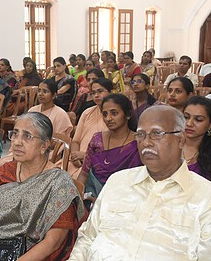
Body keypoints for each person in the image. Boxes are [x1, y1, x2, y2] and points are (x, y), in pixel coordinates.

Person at [68, 105, 211, 260]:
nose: (146, 142)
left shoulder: (204, 197)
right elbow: (88, 238)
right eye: (141, 134)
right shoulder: (118, 182)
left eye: (157, 134)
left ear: (181, 139)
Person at [0, 112, 85, 261]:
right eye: (15, 134)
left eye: (27, 136)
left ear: (44, 145)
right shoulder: (5, 171)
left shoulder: (60, 184)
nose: (17, 142)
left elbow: (54, 241)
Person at [77, 94, 142, 199]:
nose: (108, 118)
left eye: (114, 113)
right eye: (104, 114)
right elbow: (84, 173)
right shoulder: (97, 139)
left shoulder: (138, 142)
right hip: (93, 198)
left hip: (126, 200)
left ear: (128, 114)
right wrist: (78, 198)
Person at [69, 78, 112, 178]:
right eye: (93, 93)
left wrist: (85, 156)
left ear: (111, 92)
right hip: (76, 162)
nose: (96, 95)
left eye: (100, 91)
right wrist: (75, 156)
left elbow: (113, 151)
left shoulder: (114, 117)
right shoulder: (87, 112)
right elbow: (75, 141)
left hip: (98, 165)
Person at [182, 96, 211, 180]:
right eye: (186, 117)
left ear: (209, 125)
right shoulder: (168, 144)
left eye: (198, 120)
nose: (189, 124)